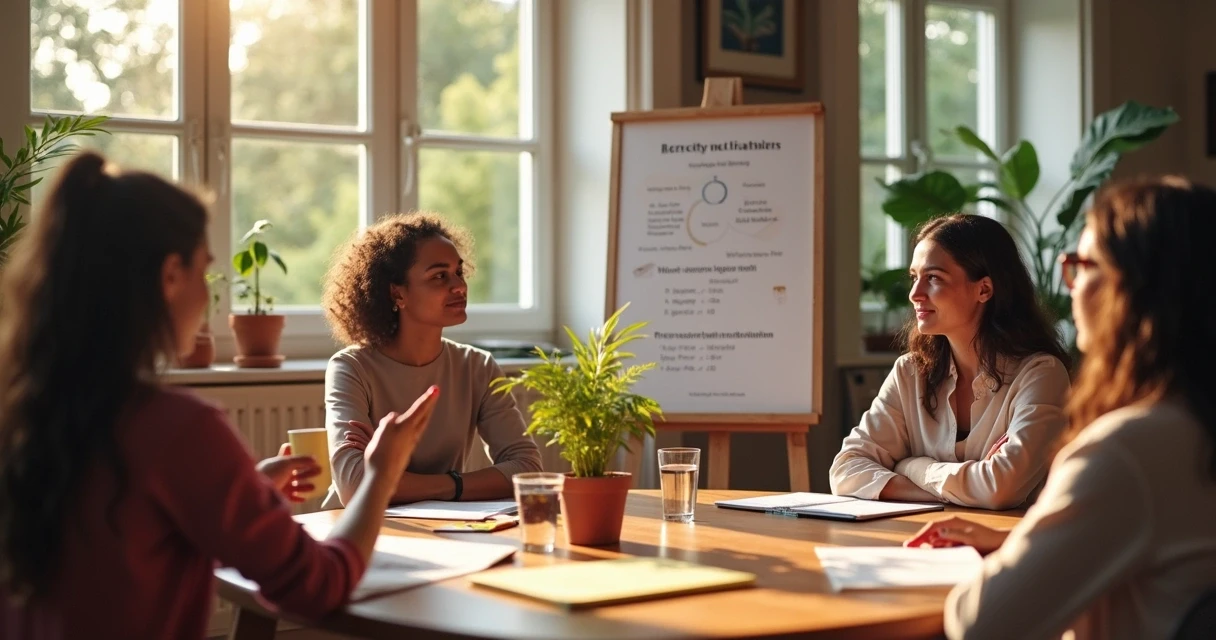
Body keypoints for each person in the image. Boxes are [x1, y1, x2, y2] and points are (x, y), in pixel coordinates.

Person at [0, 153, 439, 639]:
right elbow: (316, 587)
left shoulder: (22, 409)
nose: (208, 298)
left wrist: (239, 487)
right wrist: (382, 474)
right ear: (170, 276)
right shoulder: (176, 428)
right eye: (205, 272)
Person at [906, 177, 1216, 639]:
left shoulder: (1126, 450)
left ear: (1135, 289)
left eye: (1083, 265)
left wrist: (1017, 556)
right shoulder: (1193, 425)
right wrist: (1023, 540)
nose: (1070, 284)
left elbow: (980, 624)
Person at [830, 214, 1071, 510]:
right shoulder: (910, 372)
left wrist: (913, 467)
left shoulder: (1041, 375)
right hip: (923, 542)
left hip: (1007, 548)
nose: (914, 294)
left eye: (933, 278)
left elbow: (1000, 488)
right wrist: (950, 492)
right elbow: (845, 469)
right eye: (914, 277)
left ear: (984, 289)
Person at [320, 212, 542, 509]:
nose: (459, 286)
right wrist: (459, 485)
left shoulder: (477, 366)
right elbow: (354, 486)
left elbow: (528, 469)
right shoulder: (351, 368)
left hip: (446, 529)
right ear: (397, 293)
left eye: (459, 273)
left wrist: (431, 484)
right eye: (439, 276)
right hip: (361, 535)